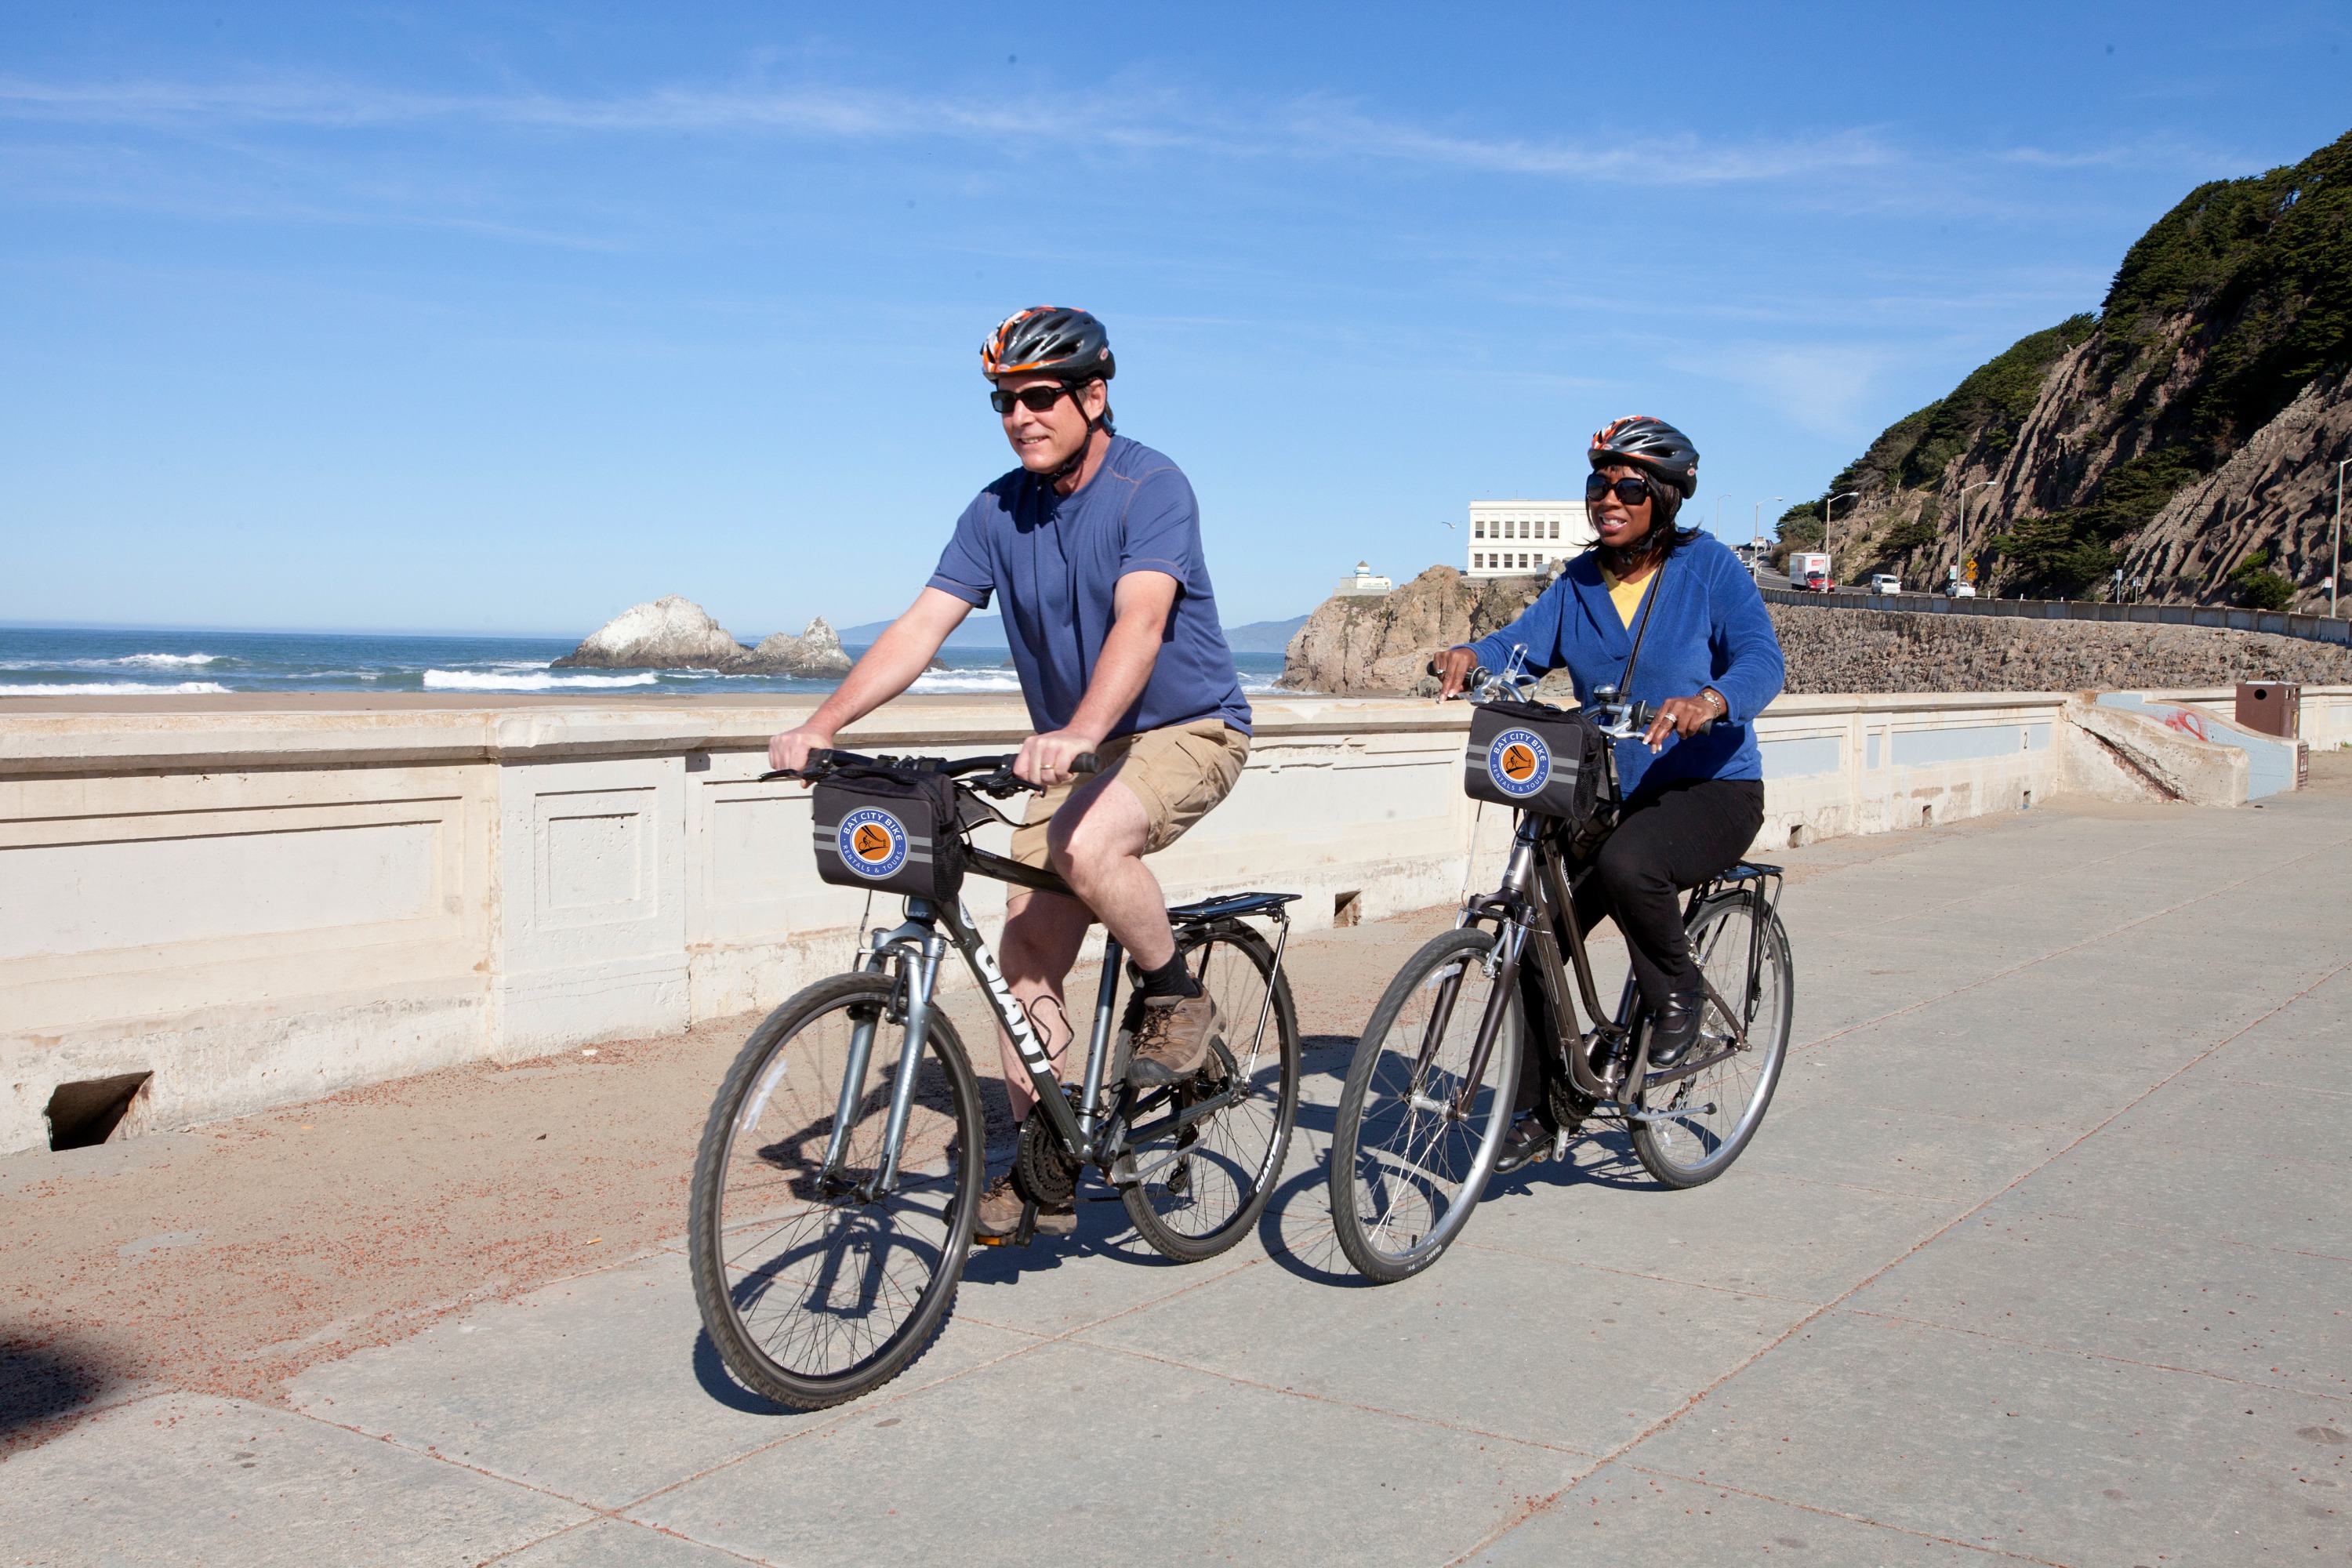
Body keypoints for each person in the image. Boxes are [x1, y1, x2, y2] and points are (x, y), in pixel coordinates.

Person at [768, 307, 1254, 1238]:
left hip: (1186, 726)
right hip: (1080, 742)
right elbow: (920, 627)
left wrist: (1076, 728)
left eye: (1040, 396)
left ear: (1093, 394)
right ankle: (1047, 1156)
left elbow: (1141, 624)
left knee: (1089, 839)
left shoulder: (1152, 486)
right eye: (1004, 401)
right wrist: (820, 724)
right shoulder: (995, 510)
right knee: (1024, 948)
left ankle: (1177, 994)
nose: (1021, 416)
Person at [1433, 416, 1784, 1171]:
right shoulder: (1581, 581)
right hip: (1604, 788)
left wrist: (1712, 703)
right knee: (1534, 931)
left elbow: (1762, 661)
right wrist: (1472, 653)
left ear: (1663, 496)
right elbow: (1517, 648)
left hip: (1710, 786)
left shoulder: (1710, 570)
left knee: (1630, 866)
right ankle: (1541, 1108)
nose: (1609, 500)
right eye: (1599, 485)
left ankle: (1677, 990)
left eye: (1628, 487)